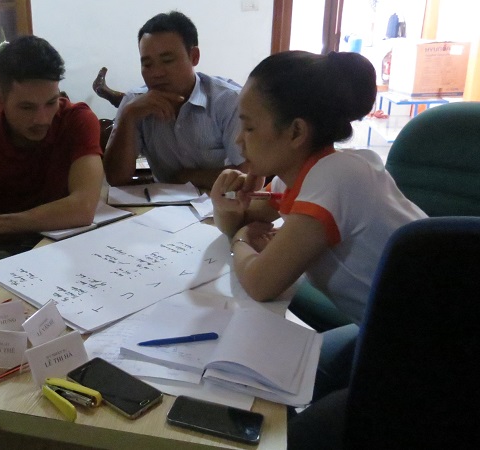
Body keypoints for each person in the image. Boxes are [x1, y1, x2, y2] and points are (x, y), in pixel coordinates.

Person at [210, 51, 427, 416]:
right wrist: (226, 208)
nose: (238, 141)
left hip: (429, 345)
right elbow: (247, 217)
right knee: (279, 383)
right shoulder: (304, 173)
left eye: (249, 127)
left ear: (296, 131)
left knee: (292, 423)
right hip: (382, 328)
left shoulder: (335, 177)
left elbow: (262, 283)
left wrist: (240, 240)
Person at [0, 35, 104, 308]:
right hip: (3, 252)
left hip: (67, 244)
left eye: (51, 103)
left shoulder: (78, 121)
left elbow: (82, 209)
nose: (42, 119)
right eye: (27, 107)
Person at [104, 11, 246, 189]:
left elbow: (248, 174)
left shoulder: (227, 100)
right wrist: (128, 117)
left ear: (194, 56)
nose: (157, 73)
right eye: (147, 64)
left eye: (167, 60)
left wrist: (187, 177)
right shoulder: (134, 103)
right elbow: (115, 178)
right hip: (163, 204)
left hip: (220, 202)